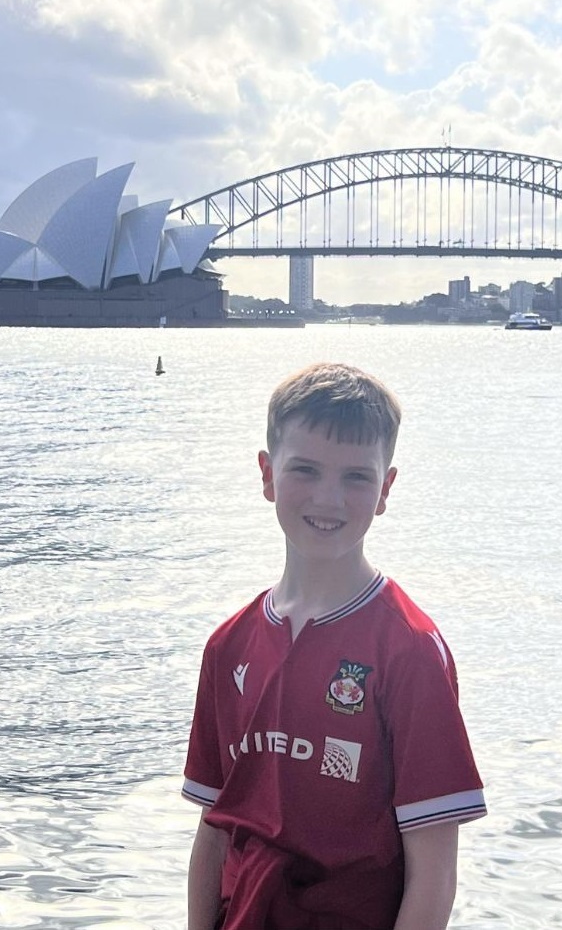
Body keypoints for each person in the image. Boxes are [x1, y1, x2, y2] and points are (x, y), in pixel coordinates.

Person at [183, 363, 485, 930]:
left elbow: (434, 871)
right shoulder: (229, 646)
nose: (329, 497)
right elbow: (215, 833)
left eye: (355, 477)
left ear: (385, 489)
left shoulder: (410, 649)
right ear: (268, 474)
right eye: (306, 470)